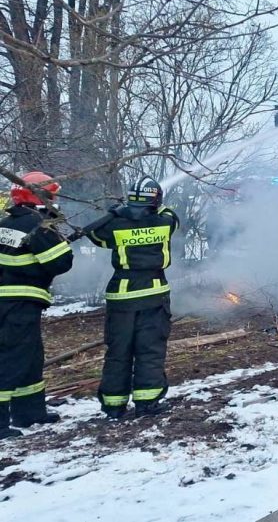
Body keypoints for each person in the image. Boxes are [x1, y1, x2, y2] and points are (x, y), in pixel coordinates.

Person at [85, 177, 178, 419]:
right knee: (150, 350)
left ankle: (114, 406)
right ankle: (147, 403)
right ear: (156, 200)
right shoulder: (165, 222)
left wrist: (117, 213)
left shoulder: (115, 226)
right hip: (154, 293)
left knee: (118, 351)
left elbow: (96, 236)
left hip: (122, 295)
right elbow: (171, 215)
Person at [0, 172, 73, 438]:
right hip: (18, 302)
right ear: (39, 197)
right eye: (52, 195)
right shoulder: (37, 226)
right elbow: (61, 263)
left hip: (12, 302)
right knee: (11, 359)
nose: (55, 200)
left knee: (29, 358)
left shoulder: (6, 222)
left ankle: (29, 412)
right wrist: (57, 235)